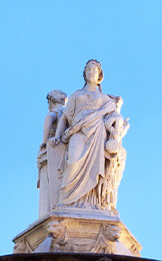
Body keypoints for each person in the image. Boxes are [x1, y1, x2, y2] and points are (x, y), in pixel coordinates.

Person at [51, 60, 126, 213]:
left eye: (94, 69)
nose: (91, 72)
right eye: (88, 69)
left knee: (95, 169)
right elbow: (65, 117)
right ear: (84, 74)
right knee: (73, 163)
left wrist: (117, 110)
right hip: (78, 132)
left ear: (100, 75)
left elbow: (115, 118)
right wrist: (57, 135)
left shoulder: (106, 99)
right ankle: (65, 201)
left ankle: (91, 203)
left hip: (97, 134)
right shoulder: (76, 95)